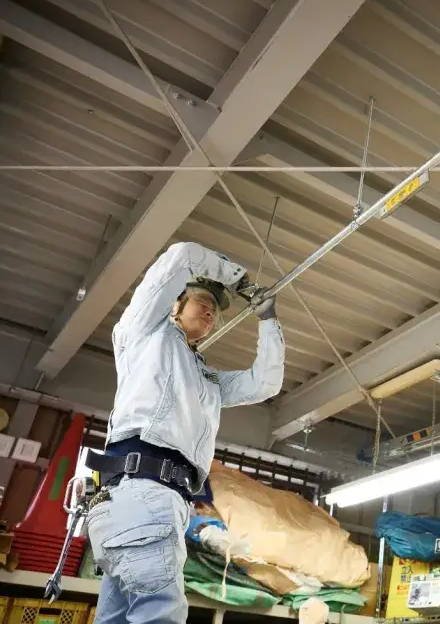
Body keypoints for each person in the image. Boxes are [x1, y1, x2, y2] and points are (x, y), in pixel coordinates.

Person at [84, 241, 285, 624]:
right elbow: (182, 255)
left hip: (162, 499)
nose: (210, 311)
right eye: (200, 301)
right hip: (143, 489)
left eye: (214, 309)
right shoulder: (144, 334)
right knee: (160, 616)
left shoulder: (204, 378)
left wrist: (268, 319)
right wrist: (238, 281)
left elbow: (265, 384)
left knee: (119, 618)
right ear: (174, 304)